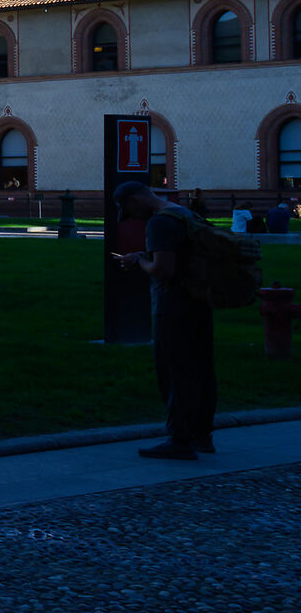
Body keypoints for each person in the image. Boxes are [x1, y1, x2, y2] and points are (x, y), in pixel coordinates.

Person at [110, 179, 217, 459]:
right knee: (202, 370)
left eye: (130, 211)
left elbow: (163, 269)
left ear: (135, 201)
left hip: (172, 305)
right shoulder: (185, 213)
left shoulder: (159, 222)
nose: (133, 217)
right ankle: (202, 437)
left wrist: (138, 261)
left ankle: (179, 440)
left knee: (174, 372)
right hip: (199, 300)